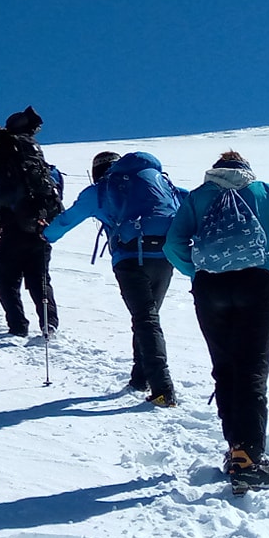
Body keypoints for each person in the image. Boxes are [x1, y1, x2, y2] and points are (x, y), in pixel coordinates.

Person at [164, 150, 269, 491]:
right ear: (246, 169)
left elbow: (173, 244)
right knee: (252, 369)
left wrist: (200, 271)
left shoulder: (198, 197)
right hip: (256, 284)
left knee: (225, 367)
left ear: (215, 170)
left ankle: (236, 450)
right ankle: (247, 458)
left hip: (210, 289)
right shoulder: (266, 192)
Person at [48, 150, 184, 404]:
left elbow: (66, 220)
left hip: (130, 257)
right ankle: (140, 377)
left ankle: (162, 388)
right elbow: (188, 203)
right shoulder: (159, 182)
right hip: (166, 254)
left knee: (145, 318)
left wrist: (45, 235)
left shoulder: (101, 190)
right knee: (148, 316)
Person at [0, 108, 63, 339]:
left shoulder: (0, 180)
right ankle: (49, 323)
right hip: (40, 233)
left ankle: (18, 326)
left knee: (6, 282)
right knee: (40, 281)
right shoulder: (43, 170)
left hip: (11, 236)